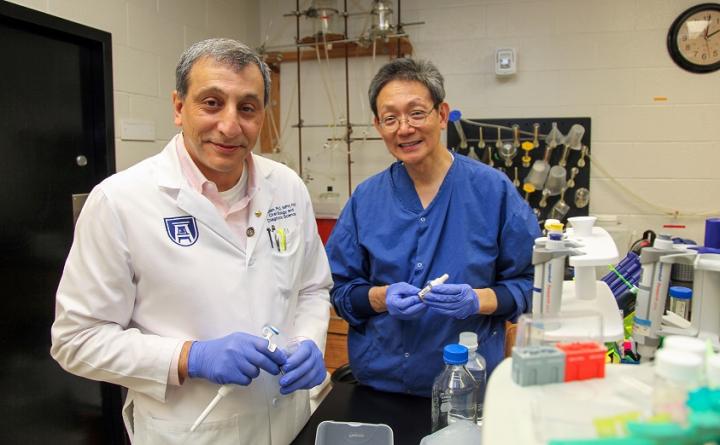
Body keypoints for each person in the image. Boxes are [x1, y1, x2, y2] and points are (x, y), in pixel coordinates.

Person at [51, 38, 332, 444]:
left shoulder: (286, 187)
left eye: (247, 108)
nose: (230, 126)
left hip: (290, 419)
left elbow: (312, 287)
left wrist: (308, 341)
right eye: (212, 103)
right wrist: (189, 357)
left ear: (262, 115)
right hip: (192, 432)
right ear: (179, 107)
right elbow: (76, 341)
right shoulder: (119, 201)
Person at [325, 58, 540, 397]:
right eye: (390, 118)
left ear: (441, 115)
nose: (404, 128)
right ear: (378, 126)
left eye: (416, 113)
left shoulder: (492, 191)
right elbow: (338, 290)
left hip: (467, 389)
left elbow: (533, 284)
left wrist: (478, 300)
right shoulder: (366, 199)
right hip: (379, 385)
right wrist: (380, 298)